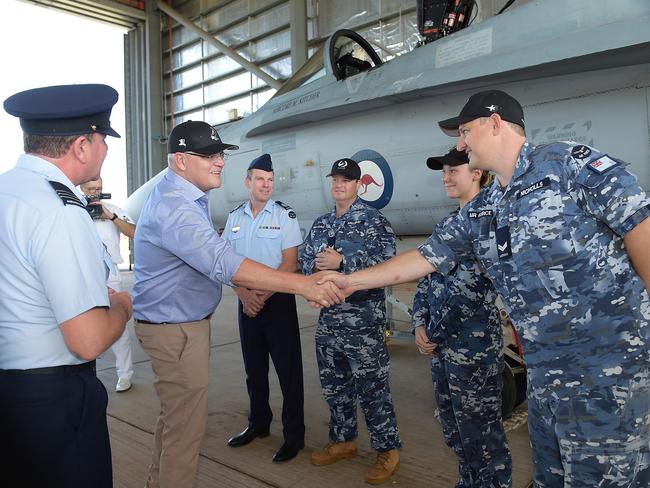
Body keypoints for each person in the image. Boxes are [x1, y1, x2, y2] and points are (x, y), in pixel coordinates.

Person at [320, 90, 650, 487]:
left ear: (495, 124)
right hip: (546, 380)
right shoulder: (485, 208)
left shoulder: (568, 165)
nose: (460, 144)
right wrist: (349, 280)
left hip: (606, 375)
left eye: (464, 131)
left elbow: (640, 227)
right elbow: (425, 257)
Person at [132, 120, 343, 488]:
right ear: (181, 160)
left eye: (221, 155)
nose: (219, 162)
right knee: (184, 434)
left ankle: (291, 435)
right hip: (179, 330)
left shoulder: (199, 201)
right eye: (210, 155)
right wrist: (303, 285)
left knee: (176, 423)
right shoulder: (182, 208)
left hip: (235, 314)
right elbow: (224, 260)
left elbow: (256, 259)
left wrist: (281, 286)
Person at [0, 84, 133, 488]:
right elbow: (87, 340)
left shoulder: (8, 191)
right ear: (80, 146)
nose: (106, 150)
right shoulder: (60, 209)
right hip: (51, 401)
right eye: (103, 140)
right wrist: (123, 307)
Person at [412, 147, 511, 488]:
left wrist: (434, 333)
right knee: (455, 430)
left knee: (482, 437)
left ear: (476, 174)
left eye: (453, 169)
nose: (445, 176)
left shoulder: (489, 219)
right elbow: (426, 279)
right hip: (442, 348)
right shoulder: (447, 224)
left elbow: (474, 289)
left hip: (473, 350)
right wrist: (419, 323)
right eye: (443, 170)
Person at [300, 158, 402, 485]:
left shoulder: (374, 222)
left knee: (373, 390)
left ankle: (387, 449)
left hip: (364, 326)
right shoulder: (320, 224)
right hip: (329, 323)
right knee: (335, 388)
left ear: (358, 184)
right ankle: (343, 441)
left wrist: (344, 261)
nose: (339, 184)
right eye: (336, 179)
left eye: (346, 179)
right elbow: (305, 264)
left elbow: (388, 265)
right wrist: (313, 272)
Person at [222, 153, 305, 463]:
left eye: (270, 180)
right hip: (246, 303)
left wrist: (262, 294)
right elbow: (227, 263)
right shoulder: (234, 218)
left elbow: (290, 262)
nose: (266, 185)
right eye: (260, 179)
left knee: (289, 374)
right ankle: (258, 424)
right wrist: (244, 295)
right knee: (254, 371)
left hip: (278, 302)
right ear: (248, 182)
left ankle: (294, 436)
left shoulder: (285, 215)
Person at [80, 176, 136, 392]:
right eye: (91, 188)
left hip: (110, 274)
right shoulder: (75, 210)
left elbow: (134, 232)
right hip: (83, 274)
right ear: (82, 188)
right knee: (83, 321)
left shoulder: (112, 209)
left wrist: (110, 216)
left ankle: (125, 374)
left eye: (99, 188)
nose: (95, 192)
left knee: (117, 324)